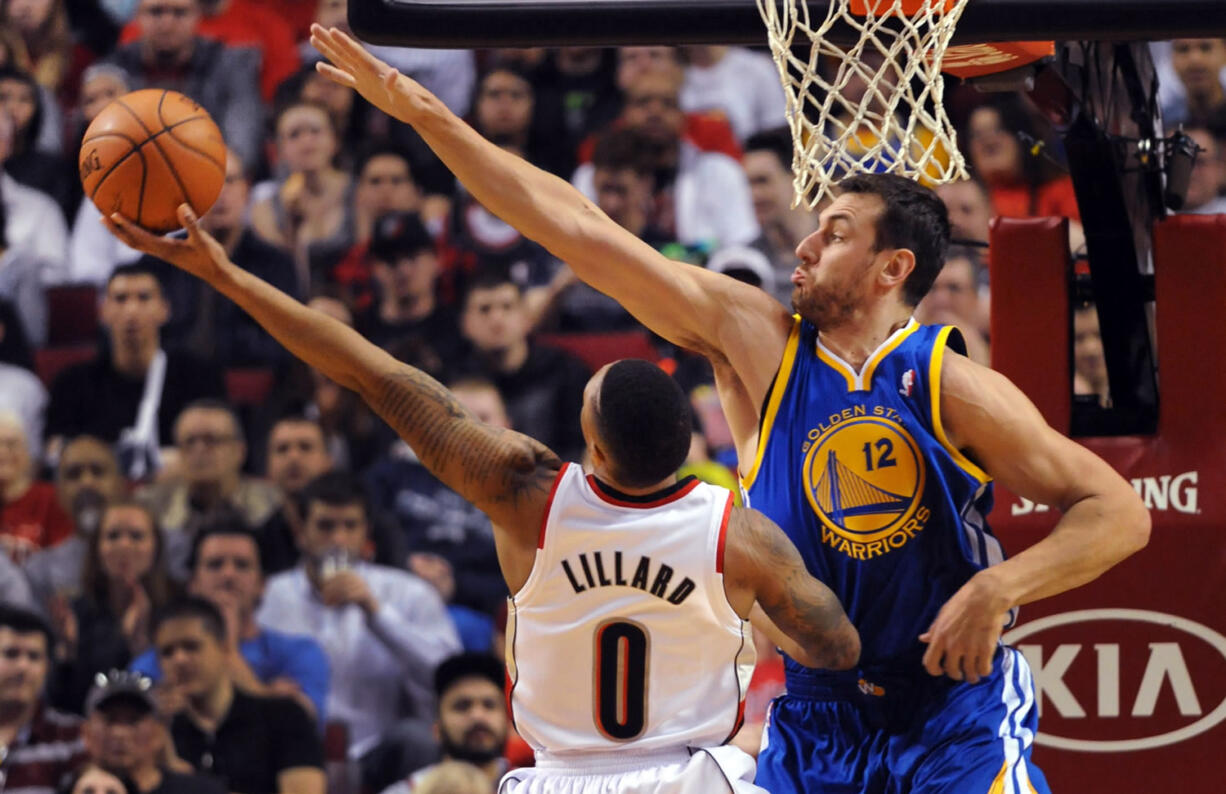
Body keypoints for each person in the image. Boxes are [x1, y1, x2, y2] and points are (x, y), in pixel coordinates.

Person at [300, 28, 1152, 794]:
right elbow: (578, 228)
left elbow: (1117, 513)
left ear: (894, 268)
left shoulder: (948, 382)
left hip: (951, 711)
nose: (807, 244)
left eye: (838, 231)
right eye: (816, 225)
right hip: (817, 714)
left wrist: (999, 586)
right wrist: (422, 113)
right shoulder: (759, 341)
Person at [101, 133, 858, 794]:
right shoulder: (738, 534)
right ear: (682, 449)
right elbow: (838, 647)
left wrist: (227, 276)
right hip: (695, 775)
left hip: (559, 777)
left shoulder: (526, 492)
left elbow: (370, 371)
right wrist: (746, 611)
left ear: (594, 446)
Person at [255, 472, 460, 785]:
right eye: (325, 526)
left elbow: (450, 677)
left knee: (418, 739)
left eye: (350, 526)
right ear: (301, 532)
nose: (338, 539)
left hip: (381, 753)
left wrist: (377, 614)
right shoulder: (271, 595)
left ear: (366, 532)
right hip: (292, 754)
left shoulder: (409, 592)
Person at [129, 522, 330, 722]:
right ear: (193, 584)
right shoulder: (163, 656)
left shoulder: (301, 652)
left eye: (242, 565)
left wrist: (229, 651)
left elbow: (303, 727)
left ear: (262, 584)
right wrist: (268, 695)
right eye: (215, 565)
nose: (228, 575)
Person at [44, 263, 226, 479]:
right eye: (121, 299)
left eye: (144, 297)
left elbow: (222, 448)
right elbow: (54, 451)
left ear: (165, 309)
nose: (131, 310)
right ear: (103, 311)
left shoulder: (198, 377)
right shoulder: (72, 383)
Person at [151, 597, 325, 794]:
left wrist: (194, 786)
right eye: (167, 652)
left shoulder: (284, 717)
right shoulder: (160, 732)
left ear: (224, 648)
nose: (179, 660)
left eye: (191, 646)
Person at [50, 499, 177, 714]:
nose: (124, 546)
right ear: (96, 549)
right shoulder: (77, 612)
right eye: (113, 536)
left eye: (136, 536)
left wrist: (141, 647)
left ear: (156, 547)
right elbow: (63, 706)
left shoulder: (177, 608)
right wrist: (68, 654)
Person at [104, 0, 262, 168]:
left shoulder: (229, 66)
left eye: (179, 13)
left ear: (198, 16)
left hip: (211, 178)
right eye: (156, 12)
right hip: (133, 177)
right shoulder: (113, 73)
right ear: (136, 17)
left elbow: (242, 147)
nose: (167, 24)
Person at [23, 436, 126, 611]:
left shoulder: (155, 551)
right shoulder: (38, 571)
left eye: (98, 471)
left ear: (119, 484)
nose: (86, 483)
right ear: (59, 492)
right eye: (74, 474)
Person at [380, 653, 508, 794]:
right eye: (462, 706)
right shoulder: (405, 791)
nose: (477, 716)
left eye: (489, 705)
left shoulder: (530, 784)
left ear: (508, 722)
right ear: (437, 729)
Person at [82, 670, 225, 794]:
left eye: (133, 721)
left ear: (159, 733)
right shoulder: (66, 788)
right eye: (110, 720)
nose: (120, 733)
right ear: (86, 734)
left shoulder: (198, 791)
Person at [0, 605, 87, 794]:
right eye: (11, 653)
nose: (23, 667)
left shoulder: (72, 736)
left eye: (34, 657)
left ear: (47, 667)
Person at [0, 412, 73, 565]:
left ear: (27, 455)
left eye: (11, 444)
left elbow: (63, 561)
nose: (2, 452)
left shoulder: (51, 498)